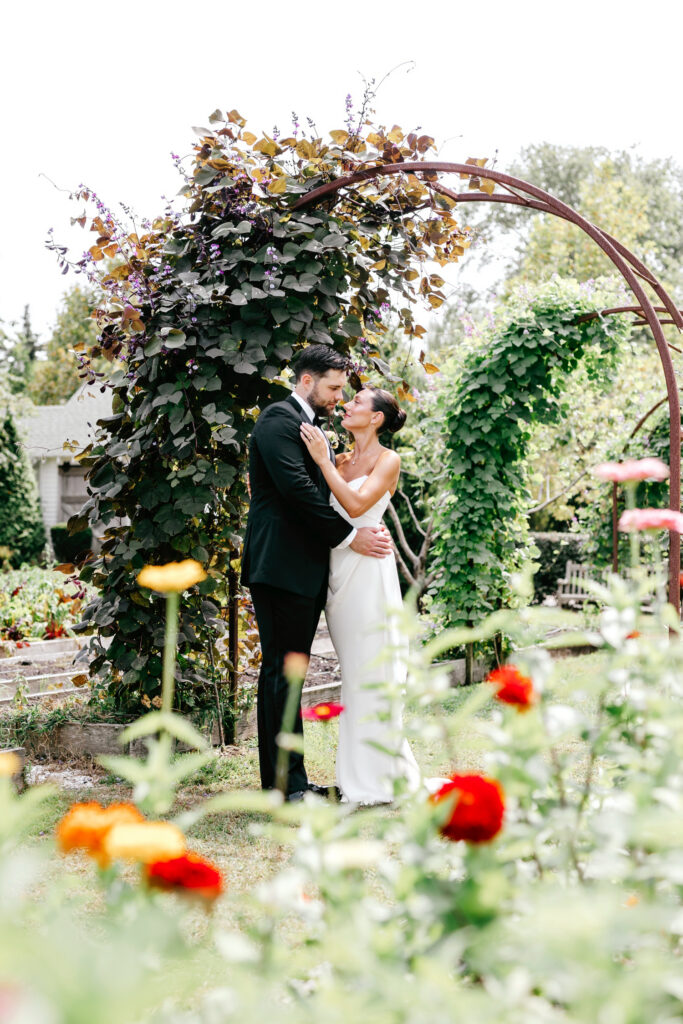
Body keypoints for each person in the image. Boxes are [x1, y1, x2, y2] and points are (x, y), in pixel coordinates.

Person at [241, 346, 393, 801]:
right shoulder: (277, 421)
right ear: (307, 380)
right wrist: (350, 538)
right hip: (281, 566)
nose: (338, 396)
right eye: (332, 387)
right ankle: (288, 789)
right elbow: (299, 492)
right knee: (282, 674)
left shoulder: (313, 427)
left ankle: (289, 783)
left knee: (288, 673)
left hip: (304, 568)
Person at [300, 385, 421, 804]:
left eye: (356, 402)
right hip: (339, 574)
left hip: (370, 573)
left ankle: (380, 776)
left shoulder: (389, 460)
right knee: (353, 672)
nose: (347, 405)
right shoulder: (340, 458)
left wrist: (321, 461)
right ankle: (356, 776)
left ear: (376, 418)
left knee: (374, 671)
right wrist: (326, 462)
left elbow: (354, 506)